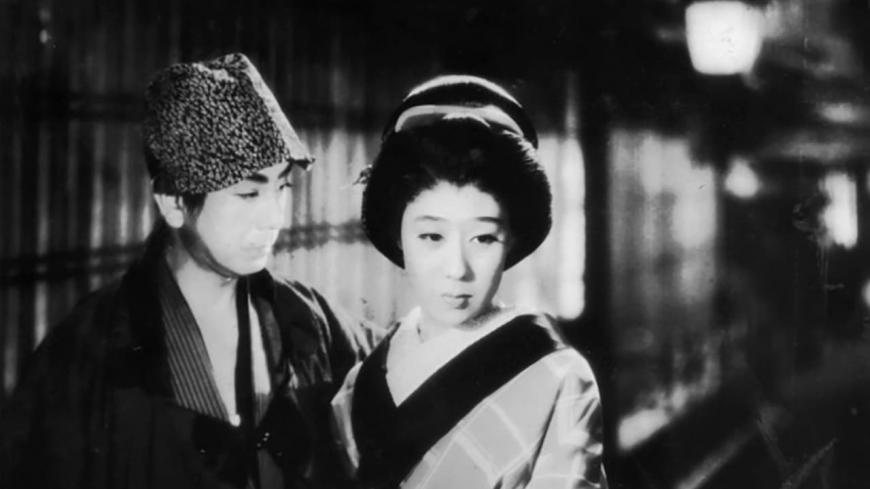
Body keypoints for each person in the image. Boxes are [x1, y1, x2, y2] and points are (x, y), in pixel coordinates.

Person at [0, 53, 372, 489]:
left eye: (283, 186)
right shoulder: (85, 354)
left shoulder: (305, 315)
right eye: (248, 194)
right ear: (173, 202)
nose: (275, 217)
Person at [330, 75, 607, 489]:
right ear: (398, 236)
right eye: (432, 236)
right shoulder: (360, 385)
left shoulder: (559, 377)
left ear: (511, 240)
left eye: (483, 238)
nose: (457, 269)